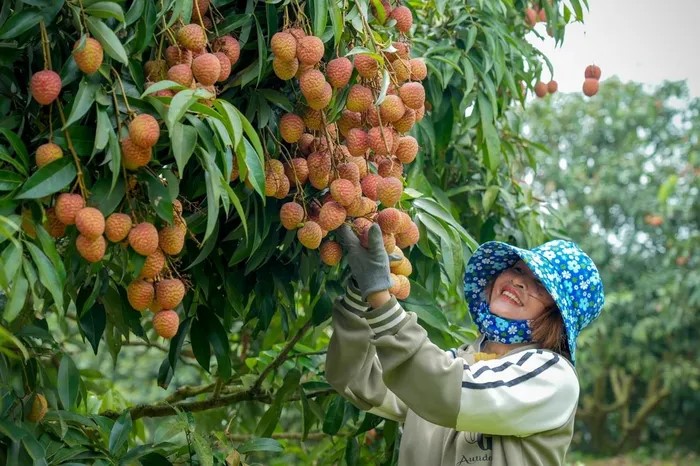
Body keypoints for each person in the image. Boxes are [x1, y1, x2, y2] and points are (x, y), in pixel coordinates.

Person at [326, 224, 605, 466]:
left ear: (555, 314)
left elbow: (446, 391)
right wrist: (359, 293)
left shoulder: (553, 377)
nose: (519, 282)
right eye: (518, 269)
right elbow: (356, 379)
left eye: (541, 286)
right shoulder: (461, 360)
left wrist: (379, 294)